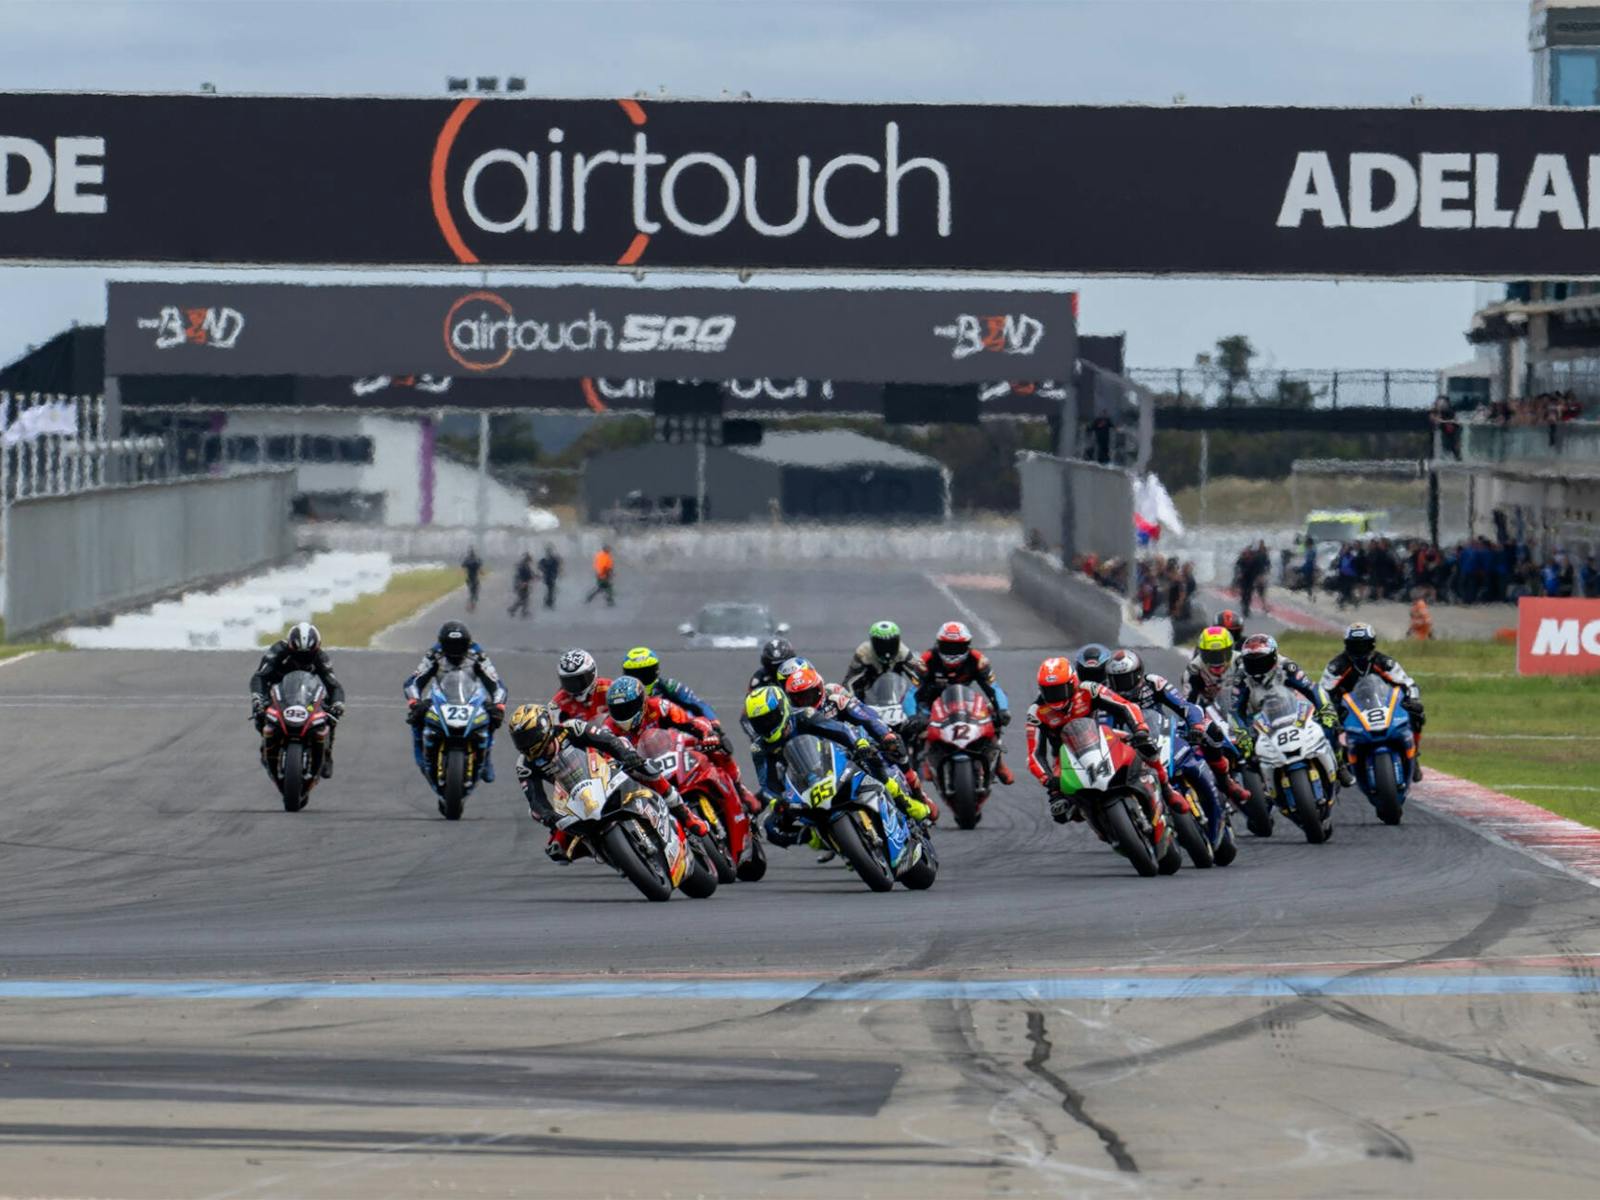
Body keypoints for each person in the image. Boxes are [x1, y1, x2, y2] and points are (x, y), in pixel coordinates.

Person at [507, 702, 706, 865]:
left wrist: (627, 756)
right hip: (572, 796)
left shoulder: (571, 729)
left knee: (644, 769)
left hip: (604, 768)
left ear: (544, 729)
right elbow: (535, 800)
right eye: (519, 740)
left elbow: (607, 740)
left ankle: (686, 815)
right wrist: (547, 816)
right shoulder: (524, 765)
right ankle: (609, 854)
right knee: (558, 850)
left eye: (528, 737)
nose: (525, 744)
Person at [743, 687, 911, 850]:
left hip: (835, 762)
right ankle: (818, 837)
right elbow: (767, 782)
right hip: (802, 783)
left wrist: (859, 744)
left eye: (770, 718)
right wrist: (777, 801)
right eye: (759, 723)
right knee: (771, 826)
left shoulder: (804, 715)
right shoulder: (759, 748)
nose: (766, 725)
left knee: (873, 762)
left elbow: (840, 730)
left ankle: (905, 805)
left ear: (782, 709)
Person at [1105, 649, 1230, 843]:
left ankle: (1225, 781)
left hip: (1164, 733)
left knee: (1211, 731)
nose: (1123, 685)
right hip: (1133, 748)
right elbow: (1104, 730)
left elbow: (1185, 706)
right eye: (1117, 680)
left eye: (1127, 678)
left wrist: (1196, 726)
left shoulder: (1153, 683)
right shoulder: (1106, 696)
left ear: (1138, 674)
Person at [784, 663, 932, 817]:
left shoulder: (834, 698)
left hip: (856, 748)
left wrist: (884, 734)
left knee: (891, 749)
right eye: (798, 699)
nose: (805, 702)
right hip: (824, 761)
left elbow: (864, 715)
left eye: (808, 696)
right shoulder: (793, 718)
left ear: (819, 689)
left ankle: (913, 797)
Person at [1024, 656, 1156, 824]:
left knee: (1146, 747)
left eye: (1059, 690)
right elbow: (1034, 754)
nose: (1054, 696)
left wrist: (1140, 729)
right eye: (1049, 691)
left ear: (1073, 682)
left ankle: (1167, 789)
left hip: (1102, 738)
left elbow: (1126, 706)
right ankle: (1098, 822)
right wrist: (1048, 780)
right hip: (1065, 758)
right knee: (1060, 808)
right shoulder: (1036, 712)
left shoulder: (1089, 689)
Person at [1232, 633, 1352, 786]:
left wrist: (1326, 710)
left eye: (1261, 661)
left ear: (1273, 656)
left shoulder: (1287, 666)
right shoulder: (1241, 677)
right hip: (1261, 718)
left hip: (1293, 710)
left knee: (1330, 726)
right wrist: (1242, 733)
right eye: (1251, 662)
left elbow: (1312, 689)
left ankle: (1340, 765)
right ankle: (1264, 786)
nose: (1257, 666)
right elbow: (1234, 710)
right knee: (1248, 752)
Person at [403, 620, 508, 790]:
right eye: (450, 645)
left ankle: (486, 757)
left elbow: (497, 684)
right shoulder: (434, 653)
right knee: (416, 717)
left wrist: (498, 705)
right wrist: (415, 702)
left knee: (493, 716)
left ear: (467, 643)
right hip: (440, 696)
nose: (455, 650)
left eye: (459, 645)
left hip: (471, 696)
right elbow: (413, 682)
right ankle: (422, 756)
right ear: (442, 644)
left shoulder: (477, 654)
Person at [1319, 622, 1426, 782]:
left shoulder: (1384, 662)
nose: (1359, 650)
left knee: (1417, 713)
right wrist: (1329, 710)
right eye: (1355, 646)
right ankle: (1339, 765)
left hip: (1382, 704)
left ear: (1372, 644)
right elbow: (1323, 691)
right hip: (1348, 710)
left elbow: (1407, 683)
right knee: (1326, 724)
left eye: (1364, 645)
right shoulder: (1337, 666)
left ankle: (1414, 755)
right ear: (1347, 645)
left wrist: (1413, 699)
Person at [911, 621, 1015, 784]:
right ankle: (925, 760)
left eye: (957, 647)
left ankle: (998, 761)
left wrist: (1002, 709)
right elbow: (912, 693)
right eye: (948, 647)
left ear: (967, 646)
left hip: (964, 701)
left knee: (994, 715)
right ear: (939, 645)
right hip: (932, 703)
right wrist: (912, 715)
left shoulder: (978, 660)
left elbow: (994, 688)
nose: (952, 652)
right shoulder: (926, 660)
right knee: (915, 723)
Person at [249, 622, 346, 779]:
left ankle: (327, 753)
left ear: (316, 649)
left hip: (307, 694)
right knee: (259, 711)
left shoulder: (321, 657)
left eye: (308, 655)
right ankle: (266, 744)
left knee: (331, 714)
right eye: (298, 655)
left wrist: (338, 703)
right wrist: (257, 697)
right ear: (290, 646)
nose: (303, 659)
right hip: (277, 691)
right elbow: (259, 676)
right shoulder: (277, 651)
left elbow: (334, 685)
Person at [620, 646, 718, 724]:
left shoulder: (670, 686)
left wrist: (714, 723)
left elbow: (698, 704)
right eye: (635, 675)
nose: (641, 679)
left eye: (646, 673)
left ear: (656, 671)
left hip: (671, 735)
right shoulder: (620, 692)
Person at [842, 620, 925, 698]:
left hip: (896, 691)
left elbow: (916, 675)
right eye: (881, 645)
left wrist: (922, 687)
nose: (886, 649)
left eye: (891, 644)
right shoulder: (863, 653)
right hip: (868, 690)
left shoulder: (903, 652)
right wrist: (848, 696)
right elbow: (849, 680)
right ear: (872, 642)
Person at [551, 648, 611, 722]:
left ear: (592, 673)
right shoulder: (558, 703)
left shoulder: (609, 689)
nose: (575, 685)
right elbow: (554, 726)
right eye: (569, 681)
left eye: (580, 679)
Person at [509, 552, 534, 619]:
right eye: (529, 560)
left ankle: (520, 611)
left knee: (524, 598)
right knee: (523, 598)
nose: (530, 562)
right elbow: (521, 575)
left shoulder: (525, 565)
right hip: (521, 584)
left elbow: (529, 574)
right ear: (527, 559)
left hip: (524, 584)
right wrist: (522, 583)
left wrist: (533, 576)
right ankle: (514, 610)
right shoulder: (522, 565)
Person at [537, 544, 562, 609]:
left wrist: (544, 570)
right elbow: (540, 566)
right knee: (550, 590)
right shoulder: (548, 560)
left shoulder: (549, 559)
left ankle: (548, 603)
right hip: (549, 577)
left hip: (550, 577)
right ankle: (549, 603)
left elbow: (556, 566)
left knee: (550, 590)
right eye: (549, 552)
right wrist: (544, 570)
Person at [461, 547, 482, 612]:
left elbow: (463, 566)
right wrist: (481, 572)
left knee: (471, 591)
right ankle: (473, 601)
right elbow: (480, 567)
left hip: (469, 578)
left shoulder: (467, 559)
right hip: (475, 578)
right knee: (476, 590)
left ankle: (471, 603)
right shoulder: (477, 559)